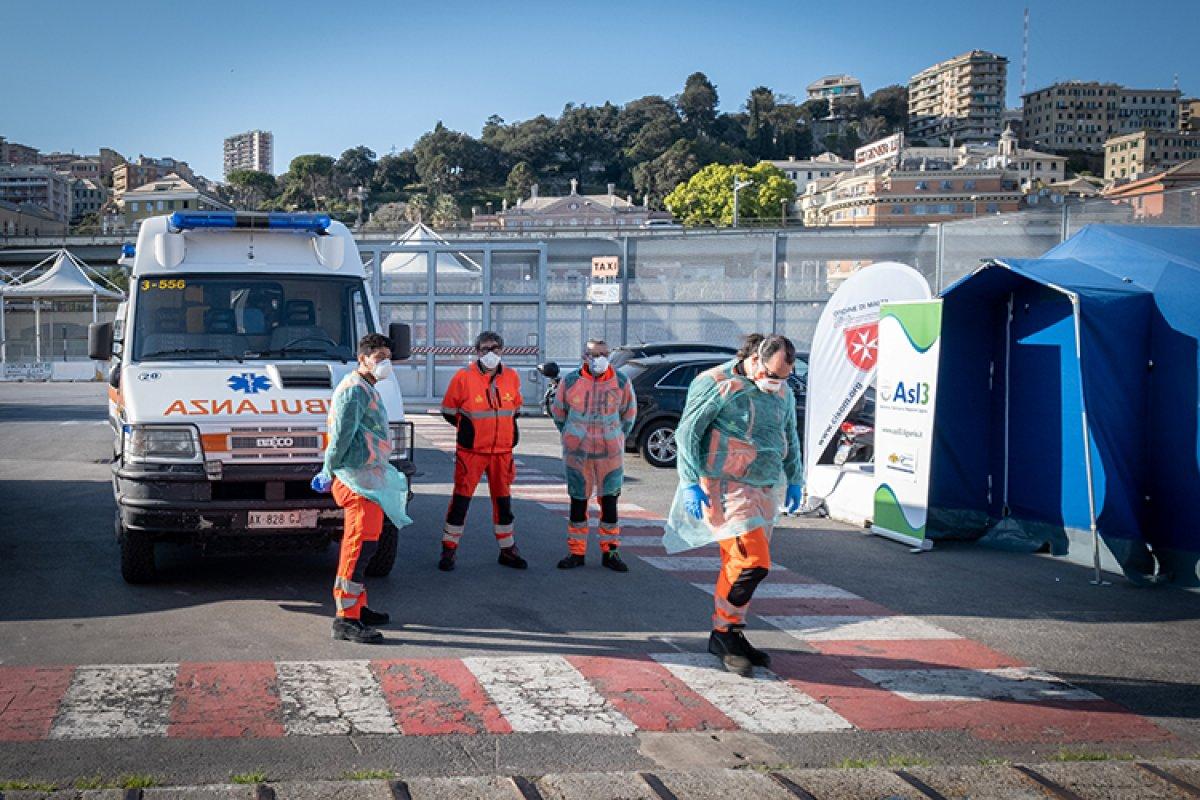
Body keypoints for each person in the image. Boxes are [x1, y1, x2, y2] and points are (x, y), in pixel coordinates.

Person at [664, 333, 804, 677]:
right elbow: (687, 434)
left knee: (737, 564)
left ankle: (729, 632)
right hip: (726, 489)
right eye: (773, 376)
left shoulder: (781, 389)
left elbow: (789, 432)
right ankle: (723, 632)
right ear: (756, 359)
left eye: (784, 377)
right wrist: (689, 482)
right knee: (753, 563)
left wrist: (795, 477)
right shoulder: (715, 383)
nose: (777, 384)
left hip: (765, 487)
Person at [311, 332, 412, 644]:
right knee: (357, 548)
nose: (384, 364)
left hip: (368, 478)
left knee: (367, 544)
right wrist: (329, 470)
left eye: (388, 358)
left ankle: (358, 607)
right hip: (355, 480)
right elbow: (341, 436)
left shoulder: (368, 388)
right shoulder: (354, 390)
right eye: (378, 358)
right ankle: (345, 619)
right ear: (362, 358)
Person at [439, 331, 526, 572]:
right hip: (472, 453)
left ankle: (508, 549)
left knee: (504, 503)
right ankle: (449, 549)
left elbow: (515, 409)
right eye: (485, 349)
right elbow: (448, 410)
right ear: (477, 351)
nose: (490, 353)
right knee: (461, 501)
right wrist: (468, 431)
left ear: (502, 350)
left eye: (495, 348)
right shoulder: (463, 377)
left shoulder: (512, 376)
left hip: (502, 452)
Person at [550, 338, 637, 572]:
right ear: (583, 356)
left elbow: (628, 415)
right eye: (593, 354)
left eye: (603, 354)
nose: (598, 359)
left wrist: (615, 437)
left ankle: (611, 552)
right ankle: (576, 552)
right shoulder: (570, 382)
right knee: (578, 502)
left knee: (609, 502)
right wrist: (572, 435)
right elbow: (559, 413)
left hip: (610, 456)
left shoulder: (620, 381)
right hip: (578, 455)